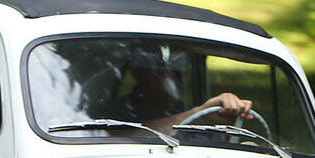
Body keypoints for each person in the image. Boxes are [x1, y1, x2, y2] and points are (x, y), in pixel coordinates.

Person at [104, 44, 252, 132]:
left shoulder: (200, 114)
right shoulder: (111, 115)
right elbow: (125, 138)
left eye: (181, 71)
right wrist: (198, 115)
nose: (175, 79)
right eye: (163, 71)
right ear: (139, 73)